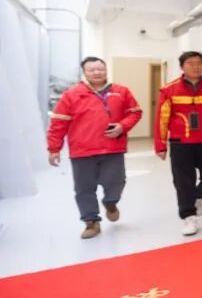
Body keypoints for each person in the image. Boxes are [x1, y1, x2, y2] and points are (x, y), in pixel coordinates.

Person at [46, 57, 142, 239]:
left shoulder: (121, 91)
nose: (96, 72)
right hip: (82, 151)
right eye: (91, 70)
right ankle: (91, 222)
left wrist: (122, 126)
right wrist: (54, 148)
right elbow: (58, 123)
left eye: (100, 69)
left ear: (106, 70)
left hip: (113, 148)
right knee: (84, 189)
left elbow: (135, 113)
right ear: (84, 72)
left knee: (116, 182)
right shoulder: (71, 95)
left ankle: (110, 202)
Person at [154, 51, 202, 237]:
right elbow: (162, 119)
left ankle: (197, 196)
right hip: (181, 143)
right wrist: (161, 145)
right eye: (191, 63)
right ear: (182, 67)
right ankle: (189, 217)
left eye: (199, 63)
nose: (196, 67)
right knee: (183, 181)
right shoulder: (169, 90)